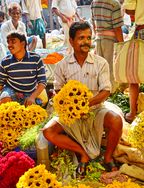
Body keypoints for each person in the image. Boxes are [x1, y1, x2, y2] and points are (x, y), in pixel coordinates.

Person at [43, 21, 123, 175]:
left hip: (95, 109)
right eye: (81, 38)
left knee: (116, 120)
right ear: (71, 41)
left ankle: (107, 158)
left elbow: (106, 91)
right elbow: (58, 90)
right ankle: (82, 154)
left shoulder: (100, 63)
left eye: (88, 37)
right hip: (70, 114)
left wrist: (85, 105)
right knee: (48, 132)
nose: (86, 42)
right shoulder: (62, 65)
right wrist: (70, 106)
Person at [0, 31, 47, 106]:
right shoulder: (5, 61)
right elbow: (1, 82)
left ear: (23, 44)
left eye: (13, 41)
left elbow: (42, 82)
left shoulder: (36, 59)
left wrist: (32, 97)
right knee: (5, 98)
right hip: (11, 92)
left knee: (33, 112)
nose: (9, 45)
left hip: (29, 93)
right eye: (8, 42)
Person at [91, 0, 124, 93]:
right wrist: (122, 45)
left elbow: (93, 23)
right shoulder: (114, 4)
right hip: (110, 41)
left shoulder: (94, 2)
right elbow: (117, 28)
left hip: (98, 39)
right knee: (111, 69)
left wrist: (98, 35)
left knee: (101, 69)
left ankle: (102, 92)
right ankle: (111, 93)